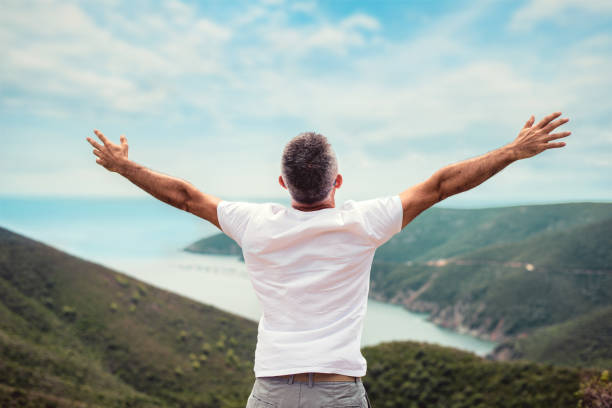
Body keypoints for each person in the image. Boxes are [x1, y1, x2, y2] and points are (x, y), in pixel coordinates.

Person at [86, 112, 570, 408]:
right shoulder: (363, 223)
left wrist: (123, 165)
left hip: (271, 392)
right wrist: (512, 150)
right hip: (339, 393)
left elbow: (186, 196)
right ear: (338, 182)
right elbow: (442, 184)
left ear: (282, 184)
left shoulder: (255, 223)